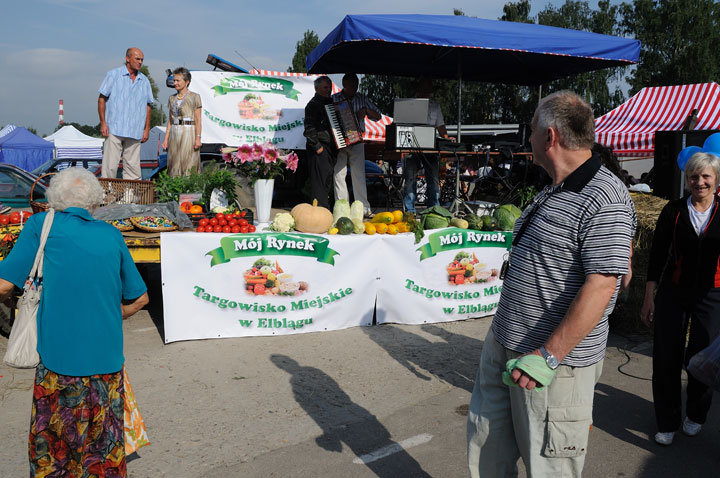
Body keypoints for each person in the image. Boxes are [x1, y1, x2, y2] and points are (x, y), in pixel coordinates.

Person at [466, 91, 636, 477]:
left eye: (531, 131)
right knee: (487, 449)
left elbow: (602, 285)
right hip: (507, 346)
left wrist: (548, 355)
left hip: (552, 368)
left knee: (550, 468)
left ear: (550, 137)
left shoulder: (605, 197)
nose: (527, 140)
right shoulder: (554, 187)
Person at [0, 168, 149, 477]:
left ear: (54, 198)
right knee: (101, 457)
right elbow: (140, 299)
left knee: (55, 458)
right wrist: (108, 312)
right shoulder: (111, 234)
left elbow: (3, 285)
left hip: (59, 368)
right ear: (94, 202)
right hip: (107, 368)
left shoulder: (42, 224)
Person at [640, 151, 720, 446]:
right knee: (666, 357)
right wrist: (649, 296)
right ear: (686, 179)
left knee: (703, 359)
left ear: (716, 180)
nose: (699, 182)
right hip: (674, 291)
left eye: (705, 176)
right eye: (694, 176)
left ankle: (696, 414)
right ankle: (667, 420)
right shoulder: (673, 211)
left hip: (713, 294)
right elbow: (657, 256)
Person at [98, 47, 155, 180]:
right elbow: (101, 99)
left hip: (135, 130)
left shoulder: (144, 81)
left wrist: (146, 129)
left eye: (142, 60)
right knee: (109, 167)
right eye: (137, 59)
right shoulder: (113, 75)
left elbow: (148, 106)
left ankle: (130, 198)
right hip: (114, 128)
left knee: (133, 169)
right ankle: (107, 197)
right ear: (127, 59)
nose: (140, 62)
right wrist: (103, 123)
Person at [331, 73, 382, 216]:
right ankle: (342, 210)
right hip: (339, 139)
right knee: (339, 175)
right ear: (344, 85)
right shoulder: (334, 99)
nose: (355, 88)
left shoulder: (362, 98)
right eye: (352, 85)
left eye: (356, 85)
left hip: (357, 139)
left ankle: (364, 209)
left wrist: (366, 111)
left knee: (358, 174)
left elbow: (378, 116)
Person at [402, 77, 454, 213]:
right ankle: (410, 211)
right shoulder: (409, 104)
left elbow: (440, 125)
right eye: (423, 91)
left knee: (433, 179)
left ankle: (433, 210)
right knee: (410, 179)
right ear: (418, 91)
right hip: (412, 145)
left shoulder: (435, 105)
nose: (426, 94)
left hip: (430, 147)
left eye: (428, 92)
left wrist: (446, 138)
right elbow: (402, 124)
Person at [162, 67, 202, 177]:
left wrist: (198, 138)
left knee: (189, 162)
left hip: (189, 130)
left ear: (187, 82)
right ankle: (174, 191)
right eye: (174, 80)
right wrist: (166, 138)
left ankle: (190, 190)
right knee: (174, 163)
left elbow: (198, 119)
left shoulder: (195, 97)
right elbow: (170, 120)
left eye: (178, 80)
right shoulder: (171, 98)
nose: (175, 83)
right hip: (175, 130)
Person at [304, 75, 336, 209]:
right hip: (319, 148)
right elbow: (309, 128)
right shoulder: (312, 105)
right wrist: (317, 146)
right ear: (316, 88)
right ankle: (320, 211)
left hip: (330, 148)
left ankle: (324, 209)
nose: (328, 90)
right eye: (325, 87)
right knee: (319, 182)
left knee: (327, 180)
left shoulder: (330, 103)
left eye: (329, 87)